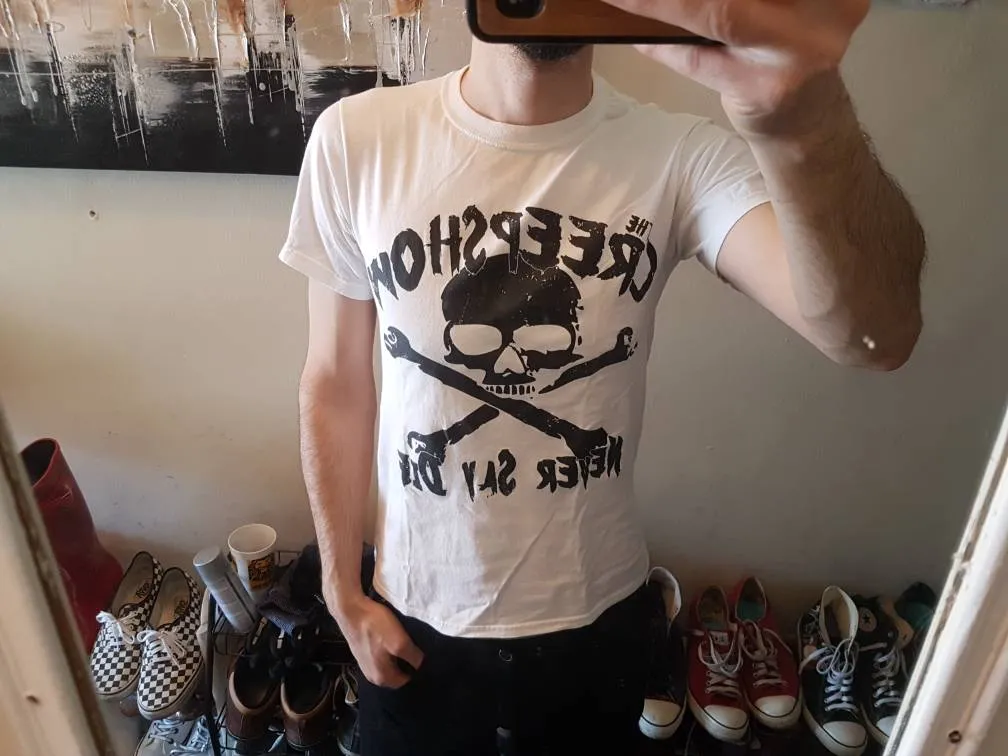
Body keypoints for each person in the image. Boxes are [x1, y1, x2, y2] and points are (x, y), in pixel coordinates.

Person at [280, 1, 925, 753]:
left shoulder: (681, 155)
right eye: (483, 345)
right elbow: (336, 382)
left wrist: (805, 115)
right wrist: (340, 589)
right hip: (411, 624)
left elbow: (874, 336)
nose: (511, 363)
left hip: (598, 634)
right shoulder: (357, 139)